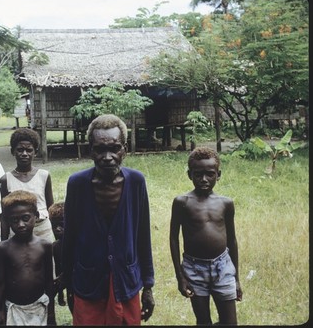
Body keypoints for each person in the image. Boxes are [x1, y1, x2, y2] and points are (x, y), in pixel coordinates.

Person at [62, 114, 155, 325]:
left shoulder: (136, 182)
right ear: (90, 150)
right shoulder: (77, 184)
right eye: (99, 149)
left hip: (126, 280)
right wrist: (67, 281)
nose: (107, 156)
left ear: (125, 149)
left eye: (114, 149)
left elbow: (143, 235)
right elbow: (70, 236)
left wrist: (148, 286)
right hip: (88, 282)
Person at [169, 146, 242, 325]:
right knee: (203, 321)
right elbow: (173, 239)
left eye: (209, 174)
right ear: (189, 175)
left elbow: (231, 240)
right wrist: (180, 276)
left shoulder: (226, 203)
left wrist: (236, 279)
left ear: (218, 174)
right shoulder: (182, 203)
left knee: (230, 323)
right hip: (194, 270)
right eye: (197, 174)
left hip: (223, 267)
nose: (204, 179)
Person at [0, 190, 56, 326]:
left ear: (36, 216)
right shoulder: (3, 248)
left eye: (25, 218)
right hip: (14, 309)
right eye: (15, 220)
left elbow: (49, 282)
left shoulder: (44, 246)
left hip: (39, 307)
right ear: (8, 221)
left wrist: (51, 313)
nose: (21, 224)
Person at [0, 127, 55, 243]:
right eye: (20, 150)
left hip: (43, 231)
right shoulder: (6, 180)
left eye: (29, 150)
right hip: (17, 232)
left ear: (35, 152)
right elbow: (5, 216)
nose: (24, 154)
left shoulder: (44, 176)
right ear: (12, 151)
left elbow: (51, 208)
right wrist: (3, 244)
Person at [48, 201, 68, 307]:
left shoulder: (80, 243)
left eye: (61, 224)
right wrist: (60, 293)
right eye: (54, 226)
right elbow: (58, 271)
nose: (57, 229)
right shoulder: (55, 246)